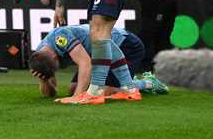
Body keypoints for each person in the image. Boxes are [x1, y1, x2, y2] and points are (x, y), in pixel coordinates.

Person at [30, 24, 168, 99]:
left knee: (108, 91)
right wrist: (44, 81)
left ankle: (148, 83)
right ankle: (128, 80)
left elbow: (86, 64)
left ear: (54, 57)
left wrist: (78, 98)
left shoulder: (60, 37)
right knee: (73, 89)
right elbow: (51, 94)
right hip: (97, 55)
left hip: (124, 44)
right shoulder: (41, 58)